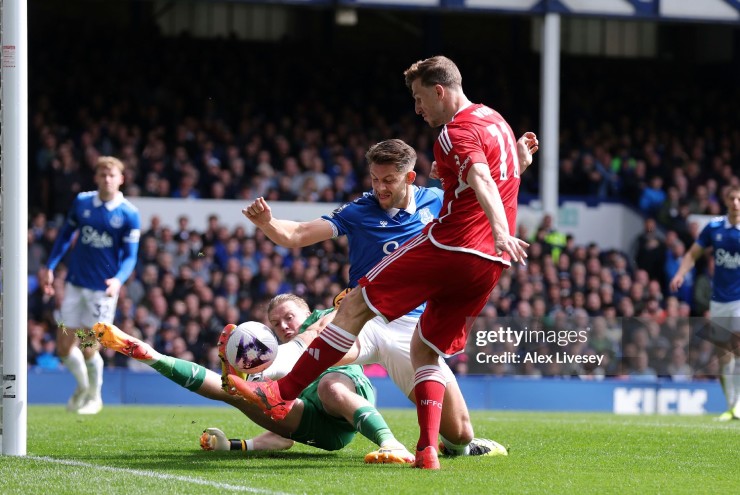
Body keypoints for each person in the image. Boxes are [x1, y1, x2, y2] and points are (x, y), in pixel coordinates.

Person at [232, 56, 531, 469]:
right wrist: (268, 224)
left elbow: (481, 180)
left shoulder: (445, 157)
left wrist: (499, 228)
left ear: (410, 178)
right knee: (346, 312)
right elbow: (297, 235)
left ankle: (447, 443)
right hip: (472, 270)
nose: (378, 187)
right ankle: (267, 379)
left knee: (460, 431)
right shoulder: (495, 122)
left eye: (419, 97)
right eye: (373, 179)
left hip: (447, 264)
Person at [88, 304, 415, 463]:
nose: (284, 326)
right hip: (324, 431)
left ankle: (390, 444)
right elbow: (281, 439)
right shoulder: (270, 359)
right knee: (236, 392)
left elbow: (329, 324)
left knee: (329, 387)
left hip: (344, 388)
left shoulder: (323, 319)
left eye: (289, 317)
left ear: (307, 311)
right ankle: (151, 355)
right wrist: (234, 446)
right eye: (276, 323)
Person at [42, 156, 141, 414]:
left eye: (112, 175)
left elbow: (131, 256)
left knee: (87, 345)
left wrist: (118, 280)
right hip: (75, 284)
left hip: (102, 290)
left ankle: (95, 398)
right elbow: (65, 236)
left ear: (121, 179)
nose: (107, 179)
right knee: (63, 346)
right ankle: (83, 387)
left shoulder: (129, 213)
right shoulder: (83, 202)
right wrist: (50, 266)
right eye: (102, 175)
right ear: (96, 178)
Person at [670, 185, 740, 421]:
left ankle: (739, 404)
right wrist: (680, 273)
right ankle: (732, 406)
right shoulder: (715, 227)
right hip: (719, 299)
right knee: (724, 354)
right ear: (725, 200)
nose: (736, 203)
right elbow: (692, 254)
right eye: (732, 198)